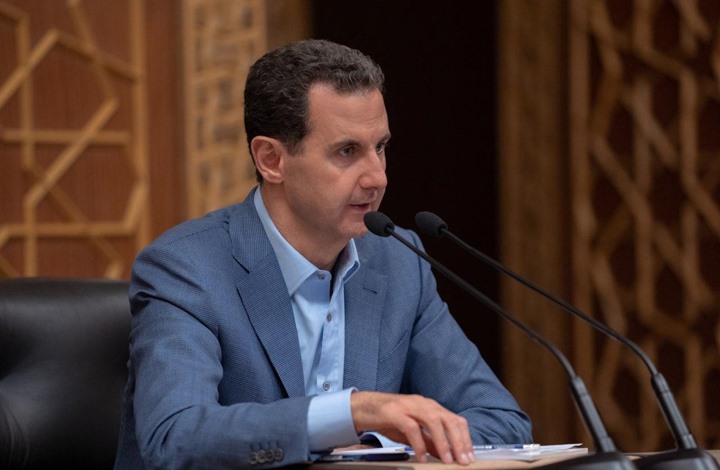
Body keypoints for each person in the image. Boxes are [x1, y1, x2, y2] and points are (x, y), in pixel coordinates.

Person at [114, 38, 531, 470]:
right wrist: (350, 413)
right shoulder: (186, 268)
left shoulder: (399, 262)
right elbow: (176, 438)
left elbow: (501, 421)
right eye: (347, 152)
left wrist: (376, 444)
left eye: (380, 147)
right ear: (271, 159)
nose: (377, 178)